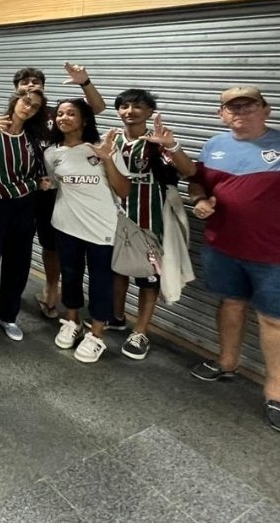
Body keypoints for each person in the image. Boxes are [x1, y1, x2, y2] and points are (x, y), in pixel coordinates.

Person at [188, 86, 280, 436]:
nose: (240, 113)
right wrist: (201, 200)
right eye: (232, 108)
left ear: (266, 110)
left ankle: (276, 393)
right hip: (223, 247)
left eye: (249, 107)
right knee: (231, 304)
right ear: (221, 114)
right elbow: (198, 185)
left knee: (276, 321)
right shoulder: (213, 146)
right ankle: (226, 363)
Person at [111, 90, 196, 359]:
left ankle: (141, 332)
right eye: (124, 106)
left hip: (151, 222)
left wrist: (171, 146)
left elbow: (189, 171)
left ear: (149, 112)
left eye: (137, 106)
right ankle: (116, 317)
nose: (130, 111)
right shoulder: (112, 142)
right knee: (117, 271)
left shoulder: (159, 142)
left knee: (149, 278)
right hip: (116, 219)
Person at [44, 99, 130, 363]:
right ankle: (73, 321)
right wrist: (48, 185)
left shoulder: (103, 148)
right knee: (70, 276)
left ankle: (96, 335)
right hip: (65, 225)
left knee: (101, 281)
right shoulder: (52, 153)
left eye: (71, 113)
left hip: (101, 228)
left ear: (84, 119)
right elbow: (57, 183)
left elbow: (124, 190)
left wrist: (106, 159)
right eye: (60, 114)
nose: (64, 117)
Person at [24, 64, 106, 319]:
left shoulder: (56, 113)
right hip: (25, 190)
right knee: (24, 242)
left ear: (43, 86)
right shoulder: (20, 115)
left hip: (55, 190)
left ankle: (51, 291)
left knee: (52, 246)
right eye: (24, 83)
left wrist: (85, 82)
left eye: (35, 81)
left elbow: (97, 108)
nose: (30, 86)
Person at [0, 88, 49, 345]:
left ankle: (8, 315)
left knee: (18, 264)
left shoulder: (32, 137)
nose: (28, 108)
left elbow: (37, 171)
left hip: (25, 206)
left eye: (35, 106)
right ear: (16, 100)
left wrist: (42, 182)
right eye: (26, 101)